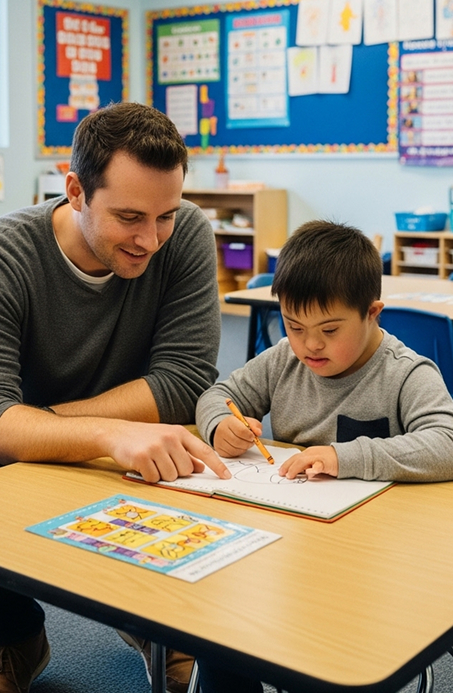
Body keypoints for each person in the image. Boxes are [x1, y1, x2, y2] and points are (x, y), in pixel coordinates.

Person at [0, 101, 231, 693]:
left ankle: (164, 632)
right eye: (129, 216)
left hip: (132, 466)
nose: (150, 239)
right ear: (75, 191)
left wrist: (42, 425)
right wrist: (105, 431)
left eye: (166, 215)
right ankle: (15, 635)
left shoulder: (186, 236)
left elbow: (183, 379)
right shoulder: (9, 257)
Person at [195, 219, 453, 693]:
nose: (310, 344)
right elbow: (219, 393)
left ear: (373, 312)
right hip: (289, 542)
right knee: (219, 631)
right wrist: (221, 424)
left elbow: (447, 443)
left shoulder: (405, 373)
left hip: (374, 559)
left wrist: (346, 456)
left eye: (329, 329)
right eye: (294, 326)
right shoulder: (284, 359)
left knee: (329, 662)